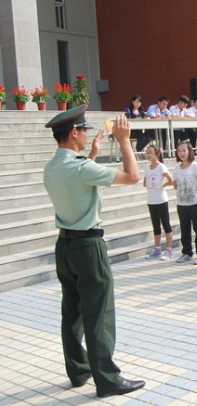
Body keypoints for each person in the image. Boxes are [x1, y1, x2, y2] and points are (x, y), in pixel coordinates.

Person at [43, 105, 145, 397]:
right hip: (89, 246)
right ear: (74, 132)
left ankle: (78, 370)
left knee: (71, 311)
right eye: (84, 130)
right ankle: (108, 379)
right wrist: (125, 140)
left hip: (64, 245)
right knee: (98, 312)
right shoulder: (80, 167)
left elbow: (78, 177)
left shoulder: (53, 166)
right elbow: (132, 175)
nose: (87, 134)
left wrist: (93, 153)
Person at [173, 141, 197, 265]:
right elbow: (175, 184)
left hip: (194, 203)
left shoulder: (195, 166)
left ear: (189, 151)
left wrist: (195, 189)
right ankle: (187, 252)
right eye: (179, 151)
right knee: (184, 229)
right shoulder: (177, 168)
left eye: (184, 150)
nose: (181, 153)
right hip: (181, 204)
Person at [143, 144, 174, 260]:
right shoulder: (147, 167)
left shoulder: (161, 167)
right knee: (156, 225)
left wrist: (164, 184)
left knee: (166, 224)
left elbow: (171, 180)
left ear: (157, 154)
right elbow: (145, 183)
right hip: (151, 200)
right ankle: (157, 248)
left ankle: (169, 250)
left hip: (161, 199)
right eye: (147, 152)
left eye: (151, 152)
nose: (148, 154)